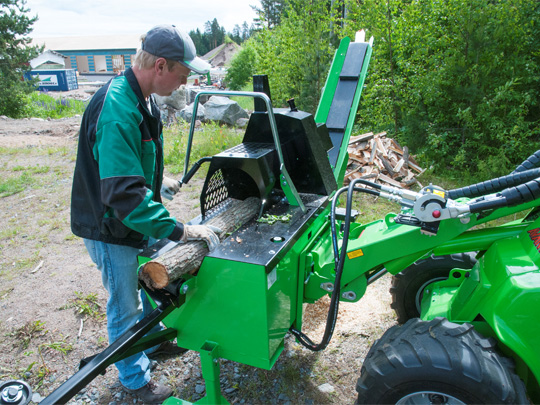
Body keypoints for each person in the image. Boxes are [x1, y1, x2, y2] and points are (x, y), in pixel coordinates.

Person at [70, 24, 219, 403]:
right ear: (161, 66)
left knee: (164, 267)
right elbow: (123, 194)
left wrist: (160, 181)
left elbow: (130, 164)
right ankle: (135, 381)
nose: (184, 83)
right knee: (125, 304)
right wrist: (180, 230)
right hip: (110, 226)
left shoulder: (145, 98)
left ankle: (150, 342)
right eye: (182, 75)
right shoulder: (118, 107)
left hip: (128, 215)